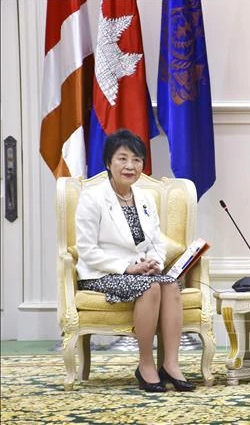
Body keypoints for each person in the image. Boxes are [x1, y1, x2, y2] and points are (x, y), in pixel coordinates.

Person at [76, 129, 195, 392]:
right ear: (109, 162)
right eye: (123, 158)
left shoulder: (142, 197)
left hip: (138, 270)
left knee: (169, 284)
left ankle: (171, 364)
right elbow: (86, 250)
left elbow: (156, 241)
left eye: (137, 159)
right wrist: (127, 268)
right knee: (151, 287)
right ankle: (145, 365)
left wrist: (154, 262)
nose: (130, 166)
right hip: (101, 274)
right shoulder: (92, 198)